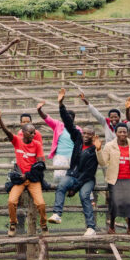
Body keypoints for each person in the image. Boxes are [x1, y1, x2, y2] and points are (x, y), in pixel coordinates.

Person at [48, 89, 100, 236]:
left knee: (84, 196)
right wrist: (61, 105)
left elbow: (88, 173)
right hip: (73, 174)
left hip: (86, 179)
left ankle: (91, 227)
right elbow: (68, 123)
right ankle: (57, 214)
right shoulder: (77, 138)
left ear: (94, 136)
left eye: (89, 134)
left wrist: (75, 188)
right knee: (62, 185)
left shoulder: (94, 150)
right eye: (84, 133)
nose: (85, 136)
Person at [0, 112, 48, 236]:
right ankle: (13, 223)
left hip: (32, 179)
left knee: (40, 203)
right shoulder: (17, 141)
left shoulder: (37, 145)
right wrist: (0, 121)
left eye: (34, 132)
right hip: (20, 179)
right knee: (11, 201)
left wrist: (28, 175)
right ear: (23, 133)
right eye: (31, 133)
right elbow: (8, 133)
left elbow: (41, 165)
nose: (34, 135)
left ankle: (44, 224)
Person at [97, 122, 130, 234]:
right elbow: (103, 162)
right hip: (115, 179)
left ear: (128, 133)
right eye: (120, 132)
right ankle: (111, 226)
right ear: (116, 133)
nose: (122, 134)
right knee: (115, 202)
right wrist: (98, 150)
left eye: (124, 132)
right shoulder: (109, 146)